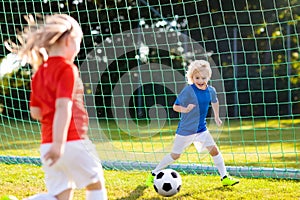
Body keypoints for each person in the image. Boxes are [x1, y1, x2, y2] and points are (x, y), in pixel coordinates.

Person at [6, 14, 107, 200]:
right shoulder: (67, 68)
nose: (78, 48)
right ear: (69, 41)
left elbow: (35, 112)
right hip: (71, 142)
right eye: (78, 42)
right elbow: (63, 107)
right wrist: (60, 144)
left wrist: (54, 142)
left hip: (47, 145)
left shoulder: (39, 73)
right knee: (95, 182)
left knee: (60, 196)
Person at [145, 60, 239, 187]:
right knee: (175, 155)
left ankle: (225, 177)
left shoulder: (211, 90)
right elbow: (175, 106)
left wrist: (216, 117)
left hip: (201, 130)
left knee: (215, 151)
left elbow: (215, 102)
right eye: (197, 78)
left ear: (208, 77)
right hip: (185, 131)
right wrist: (186, 109)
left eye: (203, 78)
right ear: (192, 77)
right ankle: (154, 173)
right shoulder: (189, 91)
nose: (200, 80)